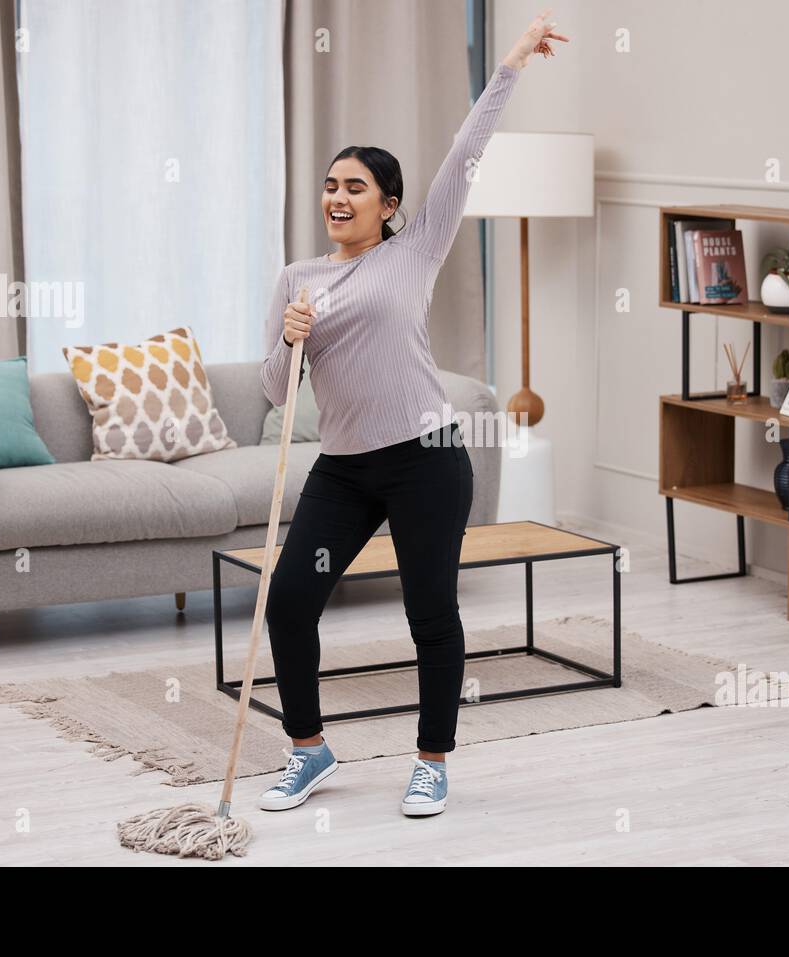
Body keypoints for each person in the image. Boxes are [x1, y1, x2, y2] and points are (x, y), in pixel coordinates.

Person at [257, 9, 568, 817]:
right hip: (345, 469)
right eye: (329, 185)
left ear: (389, 203)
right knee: (290, 601)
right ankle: (309, 749)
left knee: (430, 610)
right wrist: (291, 341)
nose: (337, 196)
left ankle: (432, 759)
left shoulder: (417, 248)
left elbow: (466, 153)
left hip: (428, 458)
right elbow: (273, 394)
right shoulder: (296, 280)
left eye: (354, 186)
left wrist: (508, 67)